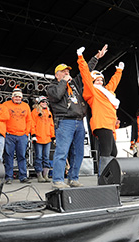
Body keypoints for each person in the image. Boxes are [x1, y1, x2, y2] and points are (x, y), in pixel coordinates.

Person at [47, 45, 108, 189]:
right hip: (64, 122)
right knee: (62, 151)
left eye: (68, 71)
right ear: (57, 74)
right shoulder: (52, 87)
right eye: (64, 71)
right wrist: (63, 81)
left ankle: (73, 178)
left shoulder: (74, 84)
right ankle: (57, 180)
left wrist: (96, 58)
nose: (67, 73)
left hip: (79, 121)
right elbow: (56, 96)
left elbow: (85, 73)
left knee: (79, 152)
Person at [77, 46, 124, 175]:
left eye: (101, 80)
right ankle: (103, 177)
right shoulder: (92, 91)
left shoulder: (107, 92)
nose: (99, 81)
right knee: (106, 151)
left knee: (113, 152)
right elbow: (85, 75)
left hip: (110, 124)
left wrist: (119, 70)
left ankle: (109, 175)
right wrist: (81, 58)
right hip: (101, 123)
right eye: (96, 80)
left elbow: (114, 82)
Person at [3, 88, 32, 184]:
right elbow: (2, 118)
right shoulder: (6, 105)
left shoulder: (26, 106)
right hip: (9, 135)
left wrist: (26, 133)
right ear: (12, 97)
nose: (17, 98)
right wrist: (5, 131)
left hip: (21, 136)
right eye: (15, 96)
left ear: (22, 97)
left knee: (22, 156)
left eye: (19, 96)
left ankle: (23, 176)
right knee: (8, 156)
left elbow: (29, 120)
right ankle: (9, 177)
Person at [31, 96, 55, 182]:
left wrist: (53, 136)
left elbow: (51, 125)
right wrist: (33, 135)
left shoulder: (49, 112)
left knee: (46, 157)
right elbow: (32, 124)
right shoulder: (35, 112)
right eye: (42, 102)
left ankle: (46, 175)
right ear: (39, 103)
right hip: (38, 138)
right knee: (39, 157)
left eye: (45, 102)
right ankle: (39, 175)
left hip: (47, 138)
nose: (44, 103)